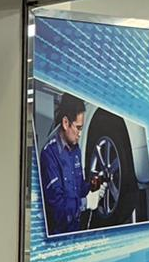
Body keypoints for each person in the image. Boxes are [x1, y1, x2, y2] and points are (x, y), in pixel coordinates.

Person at [39, 92, 102, 234]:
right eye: (78, 128)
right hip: (58, 236)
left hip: (75, 229)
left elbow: (78, 188)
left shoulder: (76, 150)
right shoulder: (49, 155)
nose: (80, 134)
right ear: (65, 123)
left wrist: (92, 186)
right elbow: (57, 208)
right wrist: (86, 203)